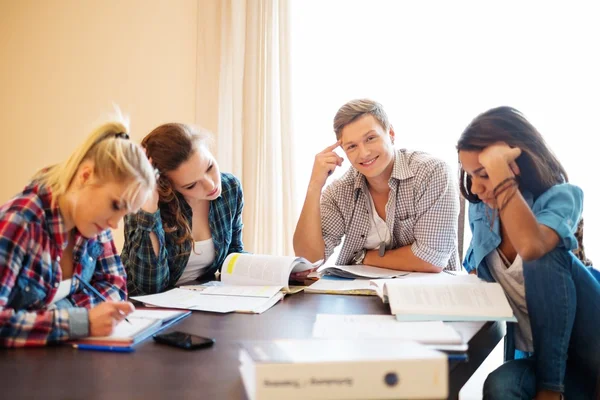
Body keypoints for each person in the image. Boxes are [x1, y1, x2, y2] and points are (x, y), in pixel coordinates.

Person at [458, 106, 600, 399]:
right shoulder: (481, 209)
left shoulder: (564, 196)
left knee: (542, 255)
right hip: (546, 357)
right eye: (471, 175)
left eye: (484, 174)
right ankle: (551, 382)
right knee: (500, 386)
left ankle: (550, 389)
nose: (476, 187)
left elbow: (532, 247)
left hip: (592, 349)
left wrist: (500, 173)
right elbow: (475, 269)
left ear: (516, 163)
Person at [0, 113, 156, 347]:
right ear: (85, 176)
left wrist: (62, 314)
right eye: (115, 205)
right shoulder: (21, 222)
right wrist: (79, 322)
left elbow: (114, 287)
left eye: (125, 214)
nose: (115, 223)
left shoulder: (93, 222)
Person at [293, 99, 459, 273]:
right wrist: (314, 186)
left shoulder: (431, 172)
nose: (364, 153)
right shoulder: (340, 191)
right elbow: (309, 261)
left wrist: (363, 257)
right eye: (352, 146)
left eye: (370, 138)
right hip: (362, 295)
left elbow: (431, 260)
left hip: (426, 295)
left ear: (391, 134)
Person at [121, 123, 245, 295]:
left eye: (209, 167)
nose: (210, 185)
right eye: (191, 185)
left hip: (201, 301)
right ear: (167, 186)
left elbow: (233, 256)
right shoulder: (141, 204)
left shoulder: (230, 188)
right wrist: (149, 210)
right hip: (144, 309)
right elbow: (150, 287)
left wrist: (284, 273)